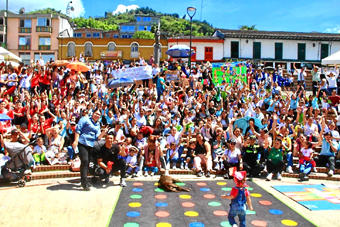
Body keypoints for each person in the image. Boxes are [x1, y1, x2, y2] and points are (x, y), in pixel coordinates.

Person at [72, 109, 108, 191]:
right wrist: (76, 140)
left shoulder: (98, 124)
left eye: (99, 115)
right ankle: (84, 182)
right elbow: (78, 130)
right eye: (96, 113)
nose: (97, 115)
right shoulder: (85, 119)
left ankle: (84, 180)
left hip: (90, 145)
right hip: (82, 142)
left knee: (87, 162)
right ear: (93, 113)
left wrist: (103, 133)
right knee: (84, 161)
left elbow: (97, 138)